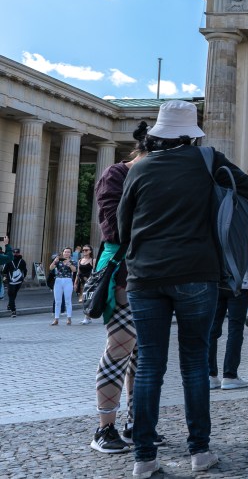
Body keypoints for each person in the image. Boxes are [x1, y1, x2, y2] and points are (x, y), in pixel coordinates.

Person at [118, 100, 248, 478]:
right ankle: (199, 451)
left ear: (159, 134)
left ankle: (144, 458)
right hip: (198, 272)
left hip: (145, 276)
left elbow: (122, 226)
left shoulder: (141, 167)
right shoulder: (208, 160)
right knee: (195, 363)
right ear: (190, 132)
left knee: (150, 365)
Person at [90, 122, 157, 454]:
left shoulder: (154, 176)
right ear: (146, 152)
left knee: (141, 356)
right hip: (124, 275)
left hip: (153, 275)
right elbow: (114, 230)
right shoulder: (116, 175)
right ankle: (105, 427)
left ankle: (135, 422)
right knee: (119, 349)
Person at [209, 237, 248, 390]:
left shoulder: (214, 220)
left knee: (212, 329)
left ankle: (210, 375)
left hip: (215, 281)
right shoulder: (246, 226)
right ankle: (230, 375)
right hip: (239, 283)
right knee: (235, 330)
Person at [49, 247, 77, 325]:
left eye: (68, 252)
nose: (66, 253)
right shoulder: (59, 261)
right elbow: (51, 268)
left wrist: (69, 264)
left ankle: (69, 318)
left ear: (70, 254)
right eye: (65, 252)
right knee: (57, 301)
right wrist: (54, 261)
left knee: (68, 300)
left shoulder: (73, 261)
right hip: (58, 280)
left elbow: (74, 270)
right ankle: (56, 319)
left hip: (68, 280)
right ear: (62, 253)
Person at [2, 245, 27, 317]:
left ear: (13, 253)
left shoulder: (9, 261)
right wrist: (23, 278)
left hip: (11, 281)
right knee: (14, 294)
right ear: (19, 253)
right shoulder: (22, 261)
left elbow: (4, 271)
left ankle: (13, 311)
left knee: (11, 295)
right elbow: (25, 271)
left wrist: (6, 276)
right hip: (19, 281)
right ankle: (10, 305)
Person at [76, 245, 95, 323]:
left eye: (86, 250)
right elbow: (78, 272)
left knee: (88, 299)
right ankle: (88, 317)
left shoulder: (93, 260)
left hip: (90, 282)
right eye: (83, 250)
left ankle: (86, 317)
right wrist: (75, 283)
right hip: (81, 283)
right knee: (83, 300)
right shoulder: (80, 260)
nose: (84, 251)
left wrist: (92, 281)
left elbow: (94, 272)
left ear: (90, 251)